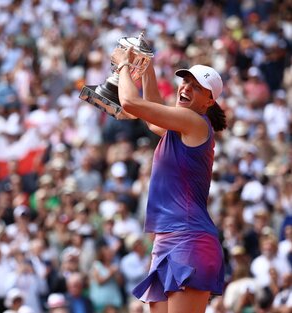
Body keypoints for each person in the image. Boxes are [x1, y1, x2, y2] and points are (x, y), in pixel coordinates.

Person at [110, 45, 227, 313]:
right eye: (185, 81)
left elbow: (131, 103)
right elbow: (152, 117)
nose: (186, 87)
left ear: (209, 101)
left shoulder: (194, 122)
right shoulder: (180, 127)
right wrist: (147, 66)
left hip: (190, 238)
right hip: (168, 239)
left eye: (196, 87)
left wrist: (123, 65)